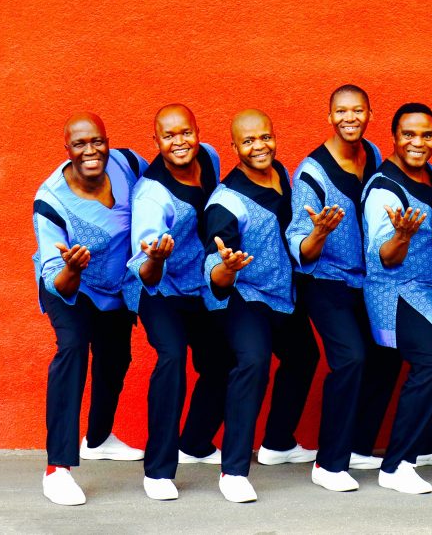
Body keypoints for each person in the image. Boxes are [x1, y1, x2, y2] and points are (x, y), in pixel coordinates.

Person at [285, 85, 403, 492]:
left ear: (369, 114)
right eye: (341, 111)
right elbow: (301, 247)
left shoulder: (371, 155)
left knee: (387, 355)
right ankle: (329, 463)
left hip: (367, 281)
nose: (350, 118)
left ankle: (357, 445)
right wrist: (318, 233)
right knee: (350, 358)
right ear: (329, 117)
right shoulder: (311, 174)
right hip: (325, 281)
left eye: (357, 110)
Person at [202, 109, 320, 502]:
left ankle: (277, 443)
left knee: (304, 356)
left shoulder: (280, 173)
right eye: (248, 141)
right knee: (253, 362)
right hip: (244, 296)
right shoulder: (225, 203)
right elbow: (213, 263)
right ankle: (233, 471)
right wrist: (226, 269)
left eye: (265, 137)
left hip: (282, 296)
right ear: (233, 146)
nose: (259, 147)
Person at [33, 112, 146, 506]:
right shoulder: (50, 201)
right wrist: (72, 268)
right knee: (73, 350)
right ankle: (57, 469)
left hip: (115, 288)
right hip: (69, 288)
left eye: (97, 140)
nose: (91, 150)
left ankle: (98, 440)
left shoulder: (128, 163)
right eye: (80, 144)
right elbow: (55, 280)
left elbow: (162, 185)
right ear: (67, 149)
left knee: (116, 358)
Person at [125, 104, 231, 501]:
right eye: (169, 136)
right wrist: (155, 258)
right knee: (171, 358)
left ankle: (196, 443)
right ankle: (158, 471)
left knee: (223, 360)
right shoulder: (152, 195)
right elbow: (144, 271)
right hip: (159, 288)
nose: (180, 142)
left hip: (198, 283)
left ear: (198, 131)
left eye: (185, 132)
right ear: (157, 142)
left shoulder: (211, 157)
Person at [361, 103, 432, 494]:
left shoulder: (428, 174)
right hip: (397, 293)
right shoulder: (384, 189)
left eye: (426, 135)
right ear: (393, 137)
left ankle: (423, 443)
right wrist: (401, 236)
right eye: (409, 134)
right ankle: (396, 465)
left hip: (430, 291)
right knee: (431, 362)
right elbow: (383, 257)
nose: (418, 142)